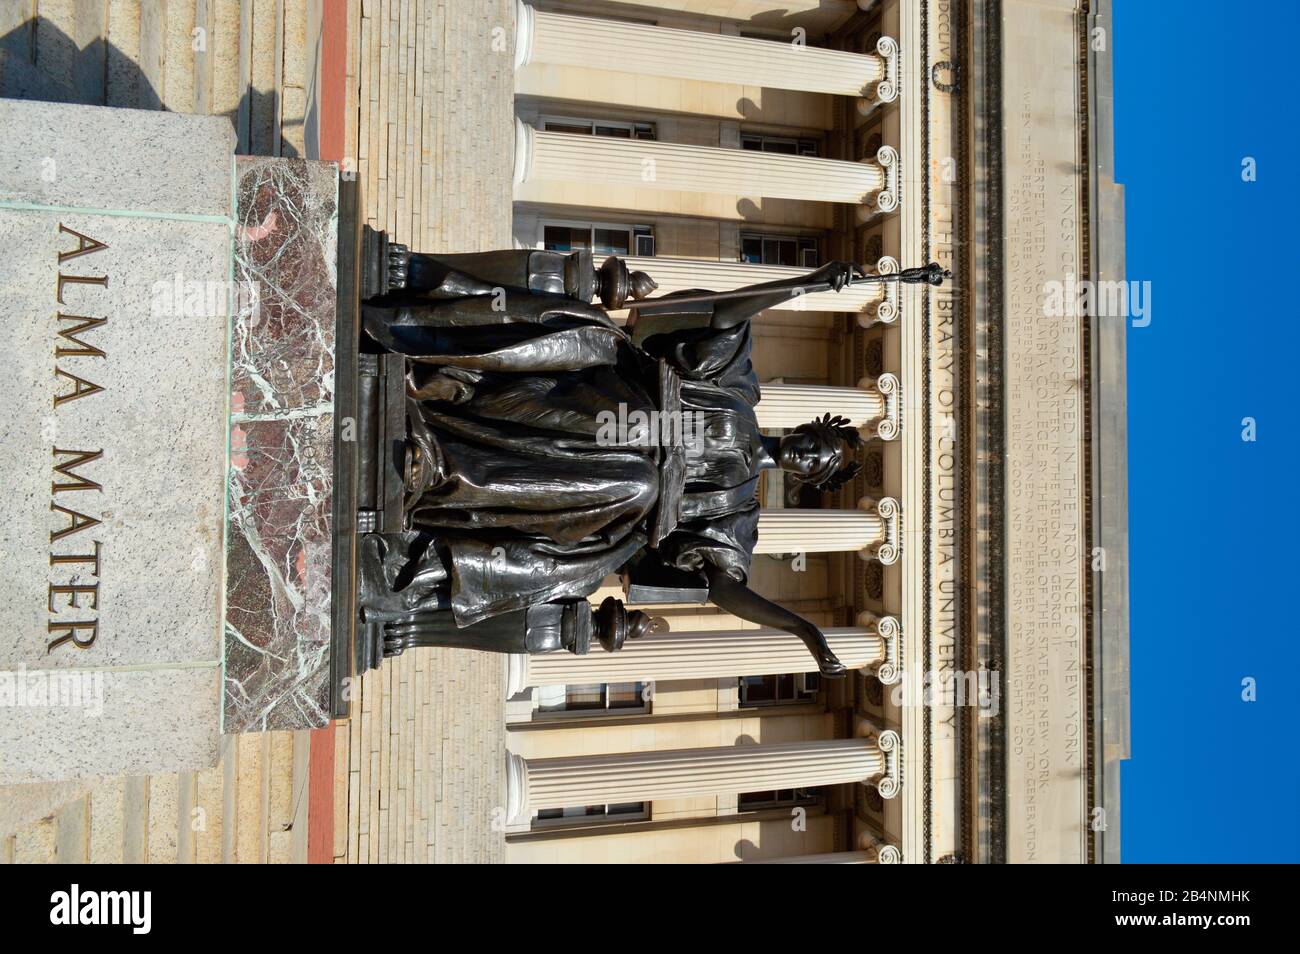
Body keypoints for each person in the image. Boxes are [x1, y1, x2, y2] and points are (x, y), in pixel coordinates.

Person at [358, 245, 864, 675]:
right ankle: (442, 387)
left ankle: (444, 473)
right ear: (807, 427)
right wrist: (809, 283)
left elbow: (724, 587)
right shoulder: (736, 394)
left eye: (818, 464)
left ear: (807, 479)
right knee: (636, 432)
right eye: (820, 443)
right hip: (615, 393)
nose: (811, 455)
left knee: (639, 484)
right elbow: (732, 314)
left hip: (608, 497)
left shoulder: (736, 513)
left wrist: (802, 629)